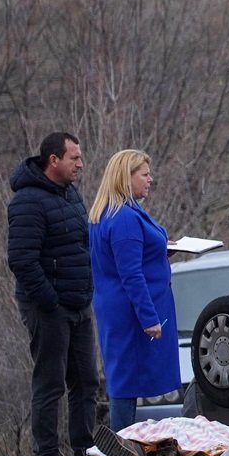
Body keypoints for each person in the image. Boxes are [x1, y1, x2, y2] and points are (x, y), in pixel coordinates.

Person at [6, 132, 99, 456]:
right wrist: (50, 301)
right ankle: (46, 454)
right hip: (48, 307)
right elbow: (21, 260)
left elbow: (80, 246)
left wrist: (84, 292)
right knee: (50, 383)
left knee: (87, 381)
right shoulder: (28, 201)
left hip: (79, 303)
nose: (81, 164)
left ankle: (84, 449)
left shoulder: (70, 195)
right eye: (74, 157)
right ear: (53, 160)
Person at [88, 150, 181, 432]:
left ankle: (127, 442)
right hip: (132, 312)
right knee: (126, 382)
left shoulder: (109, 213)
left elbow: (131, 258)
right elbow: (130, 274)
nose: (150, 180)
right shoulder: (124, 218)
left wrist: (160, 251)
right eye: (144, 174)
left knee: (124, 377)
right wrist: (148, 317)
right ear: (125, 178)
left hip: (118, 308)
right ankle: (121, 444)